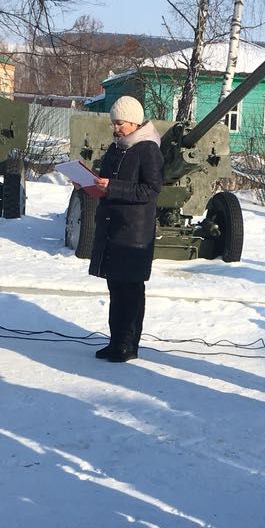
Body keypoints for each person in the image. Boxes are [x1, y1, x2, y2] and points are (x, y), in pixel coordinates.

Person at [87, 95, 164, 363]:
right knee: (115, 289)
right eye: (113, 123)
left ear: (133, 121)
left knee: (130, 291)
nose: (115, 128)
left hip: (134, 233)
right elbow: (106, 182)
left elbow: (151, 190)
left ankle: (129, 345)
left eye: (119, 123)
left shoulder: (148, 149)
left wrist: (112, 187)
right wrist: (90, 184)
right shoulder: (116, 148)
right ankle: (115, 342)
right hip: (114, 228)